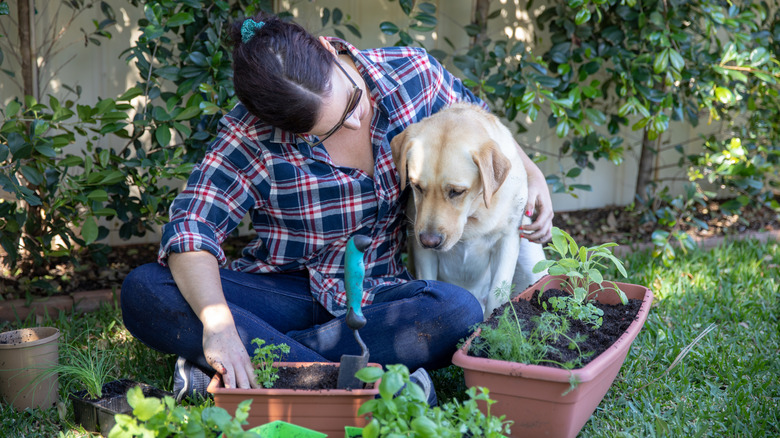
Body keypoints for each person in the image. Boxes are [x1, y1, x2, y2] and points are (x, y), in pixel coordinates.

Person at [121, 12, 554, 403]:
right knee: (145, 290)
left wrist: (532, 174)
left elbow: (477, 122)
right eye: (326, 130)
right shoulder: (250, 136)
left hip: (381, 297)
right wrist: (217, 326)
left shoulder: (411, 74)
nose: (354, 121)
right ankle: (358, 378)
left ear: (329, 49)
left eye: (350, 101)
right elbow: (192, 225)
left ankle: (263, 363)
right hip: (286, 292)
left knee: (456, 312)